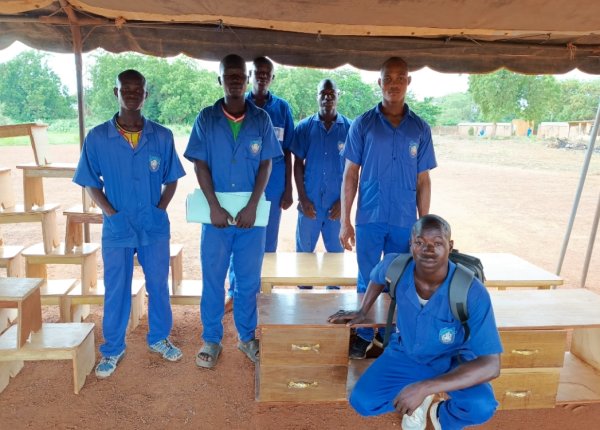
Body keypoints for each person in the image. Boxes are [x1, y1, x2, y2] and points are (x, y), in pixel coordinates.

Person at [328, 215, 502, 429]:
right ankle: (417, 399)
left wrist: (425, 387)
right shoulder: (396, 266)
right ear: (411, 244)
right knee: (363, 402)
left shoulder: (471, 290)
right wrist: (363, 311)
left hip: (454, 358)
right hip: (407, 352)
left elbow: (491, 366)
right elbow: (377, 277)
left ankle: (442, 415)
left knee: (481, 406)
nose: (428, 250)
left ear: (450, 246)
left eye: (437, 243)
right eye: (420, 242)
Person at [73, 69, 185, 378]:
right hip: (117, 227)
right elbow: (90, 182)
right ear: (116, 92)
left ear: (146, 94)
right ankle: (112, 348)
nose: (132, 94)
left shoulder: (162, 136)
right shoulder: (98, 137)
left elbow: (172, 179)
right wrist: (112, 214)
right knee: (116, 288)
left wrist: (159, 210)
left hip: (153, 225)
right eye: (126, 89)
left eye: (138, 90)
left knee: (158, 285)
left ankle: (159, 338)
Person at [184, 54, 282, 368]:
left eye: (240, 75)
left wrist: (253, 205)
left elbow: (266, 164)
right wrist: (214, 207)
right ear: (220, 80)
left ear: (248, 78)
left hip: (251, 218)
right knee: (213, 279)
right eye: (229, 75)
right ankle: (211, 339)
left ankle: (247, 337)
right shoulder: (206, 118)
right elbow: (200, 164)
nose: (236, 80)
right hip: (216, 218)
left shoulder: (261, 119)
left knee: (249, 281)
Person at [340, 57, 437, 358]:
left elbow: (423, 180)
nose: (394, 83)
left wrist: (425, 227)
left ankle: (390, 337)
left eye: (400, 78)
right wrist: (345, 221)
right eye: (388, 78)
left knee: (401, 278)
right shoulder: (363, 124)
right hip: (370, 216)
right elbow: (350, 174)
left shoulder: (420, 129)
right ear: (379, 82)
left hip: (405, 221)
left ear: (409, 82)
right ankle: (363, 335)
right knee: (368, 276)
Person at [225, 56, 294, 311]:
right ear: (250, 76)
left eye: (267, 73)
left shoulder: (282, 108)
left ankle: (264, 290)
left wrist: (288, 188)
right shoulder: (238, 105)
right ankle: (234, 291)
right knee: (238, 236)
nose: (262, 76)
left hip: (274, 184)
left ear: (272, 78)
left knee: (268, 239)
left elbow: (288, 150)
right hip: (242, 182)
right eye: (258, 72)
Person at [290, 78, 351, 289]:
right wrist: (303, 198)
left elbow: (355, 170)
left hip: (337, 206)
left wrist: (343, 203)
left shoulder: (350, 128)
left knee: (335, 258)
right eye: (323, 94)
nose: (327, 98)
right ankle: (304, 298)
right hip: (310, 204)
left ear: (338, 96)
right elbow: (297, 164)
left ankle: (332, 299)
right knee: (304, 257)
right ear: (317, 96)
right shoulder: (305, 127)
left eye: (331, 94)